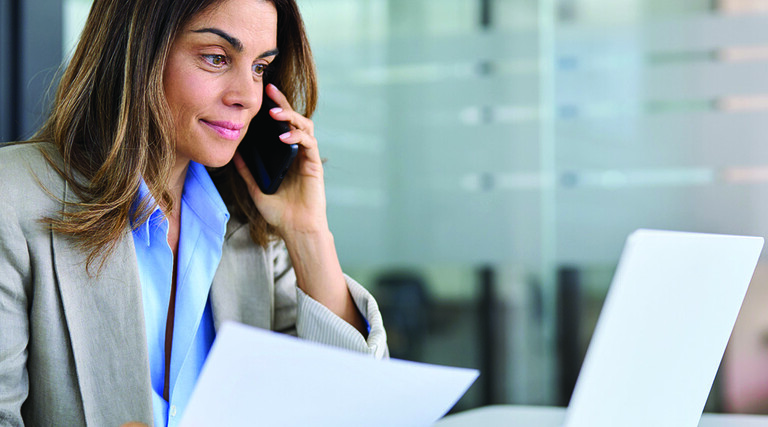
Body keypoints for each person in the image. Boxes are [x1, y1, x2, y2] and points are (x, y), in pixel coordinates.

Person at [0, 0, 388, 425]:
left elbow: (358, 409)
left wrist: (308, 232)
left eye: (260, 68)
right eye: (216, 58)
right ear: (137, 55)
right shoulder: (13, 200)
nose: (247, 98)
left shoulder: (248, 227)